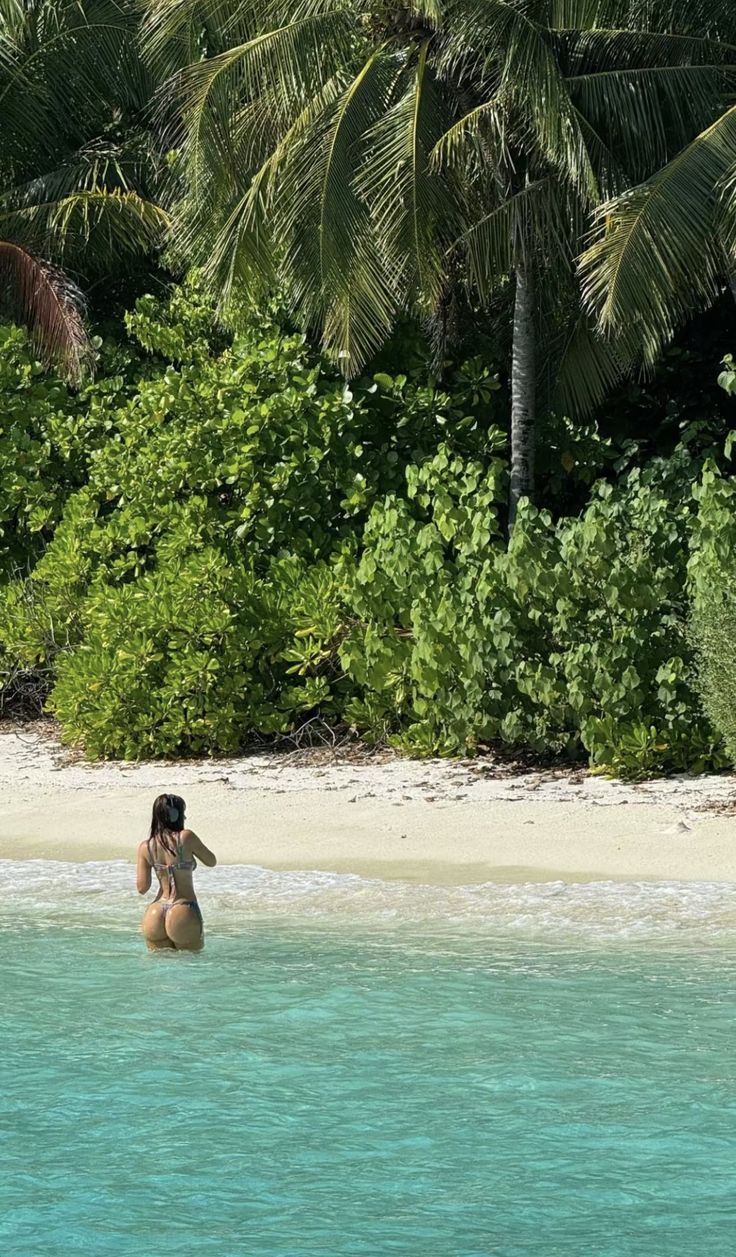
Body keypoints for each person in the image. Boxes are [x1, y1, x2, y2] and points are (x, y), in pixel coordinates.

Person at [136, 793, 216, 951]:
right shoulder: (186, 837)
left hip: (155, 912)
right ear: (176, 815)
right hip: (183, 908)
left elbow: (142, 888)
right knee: (192, 966)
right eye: (182, 812)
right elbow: (211, 861)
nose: (185, 817)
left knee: (159, 968)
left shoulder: (146, 847)